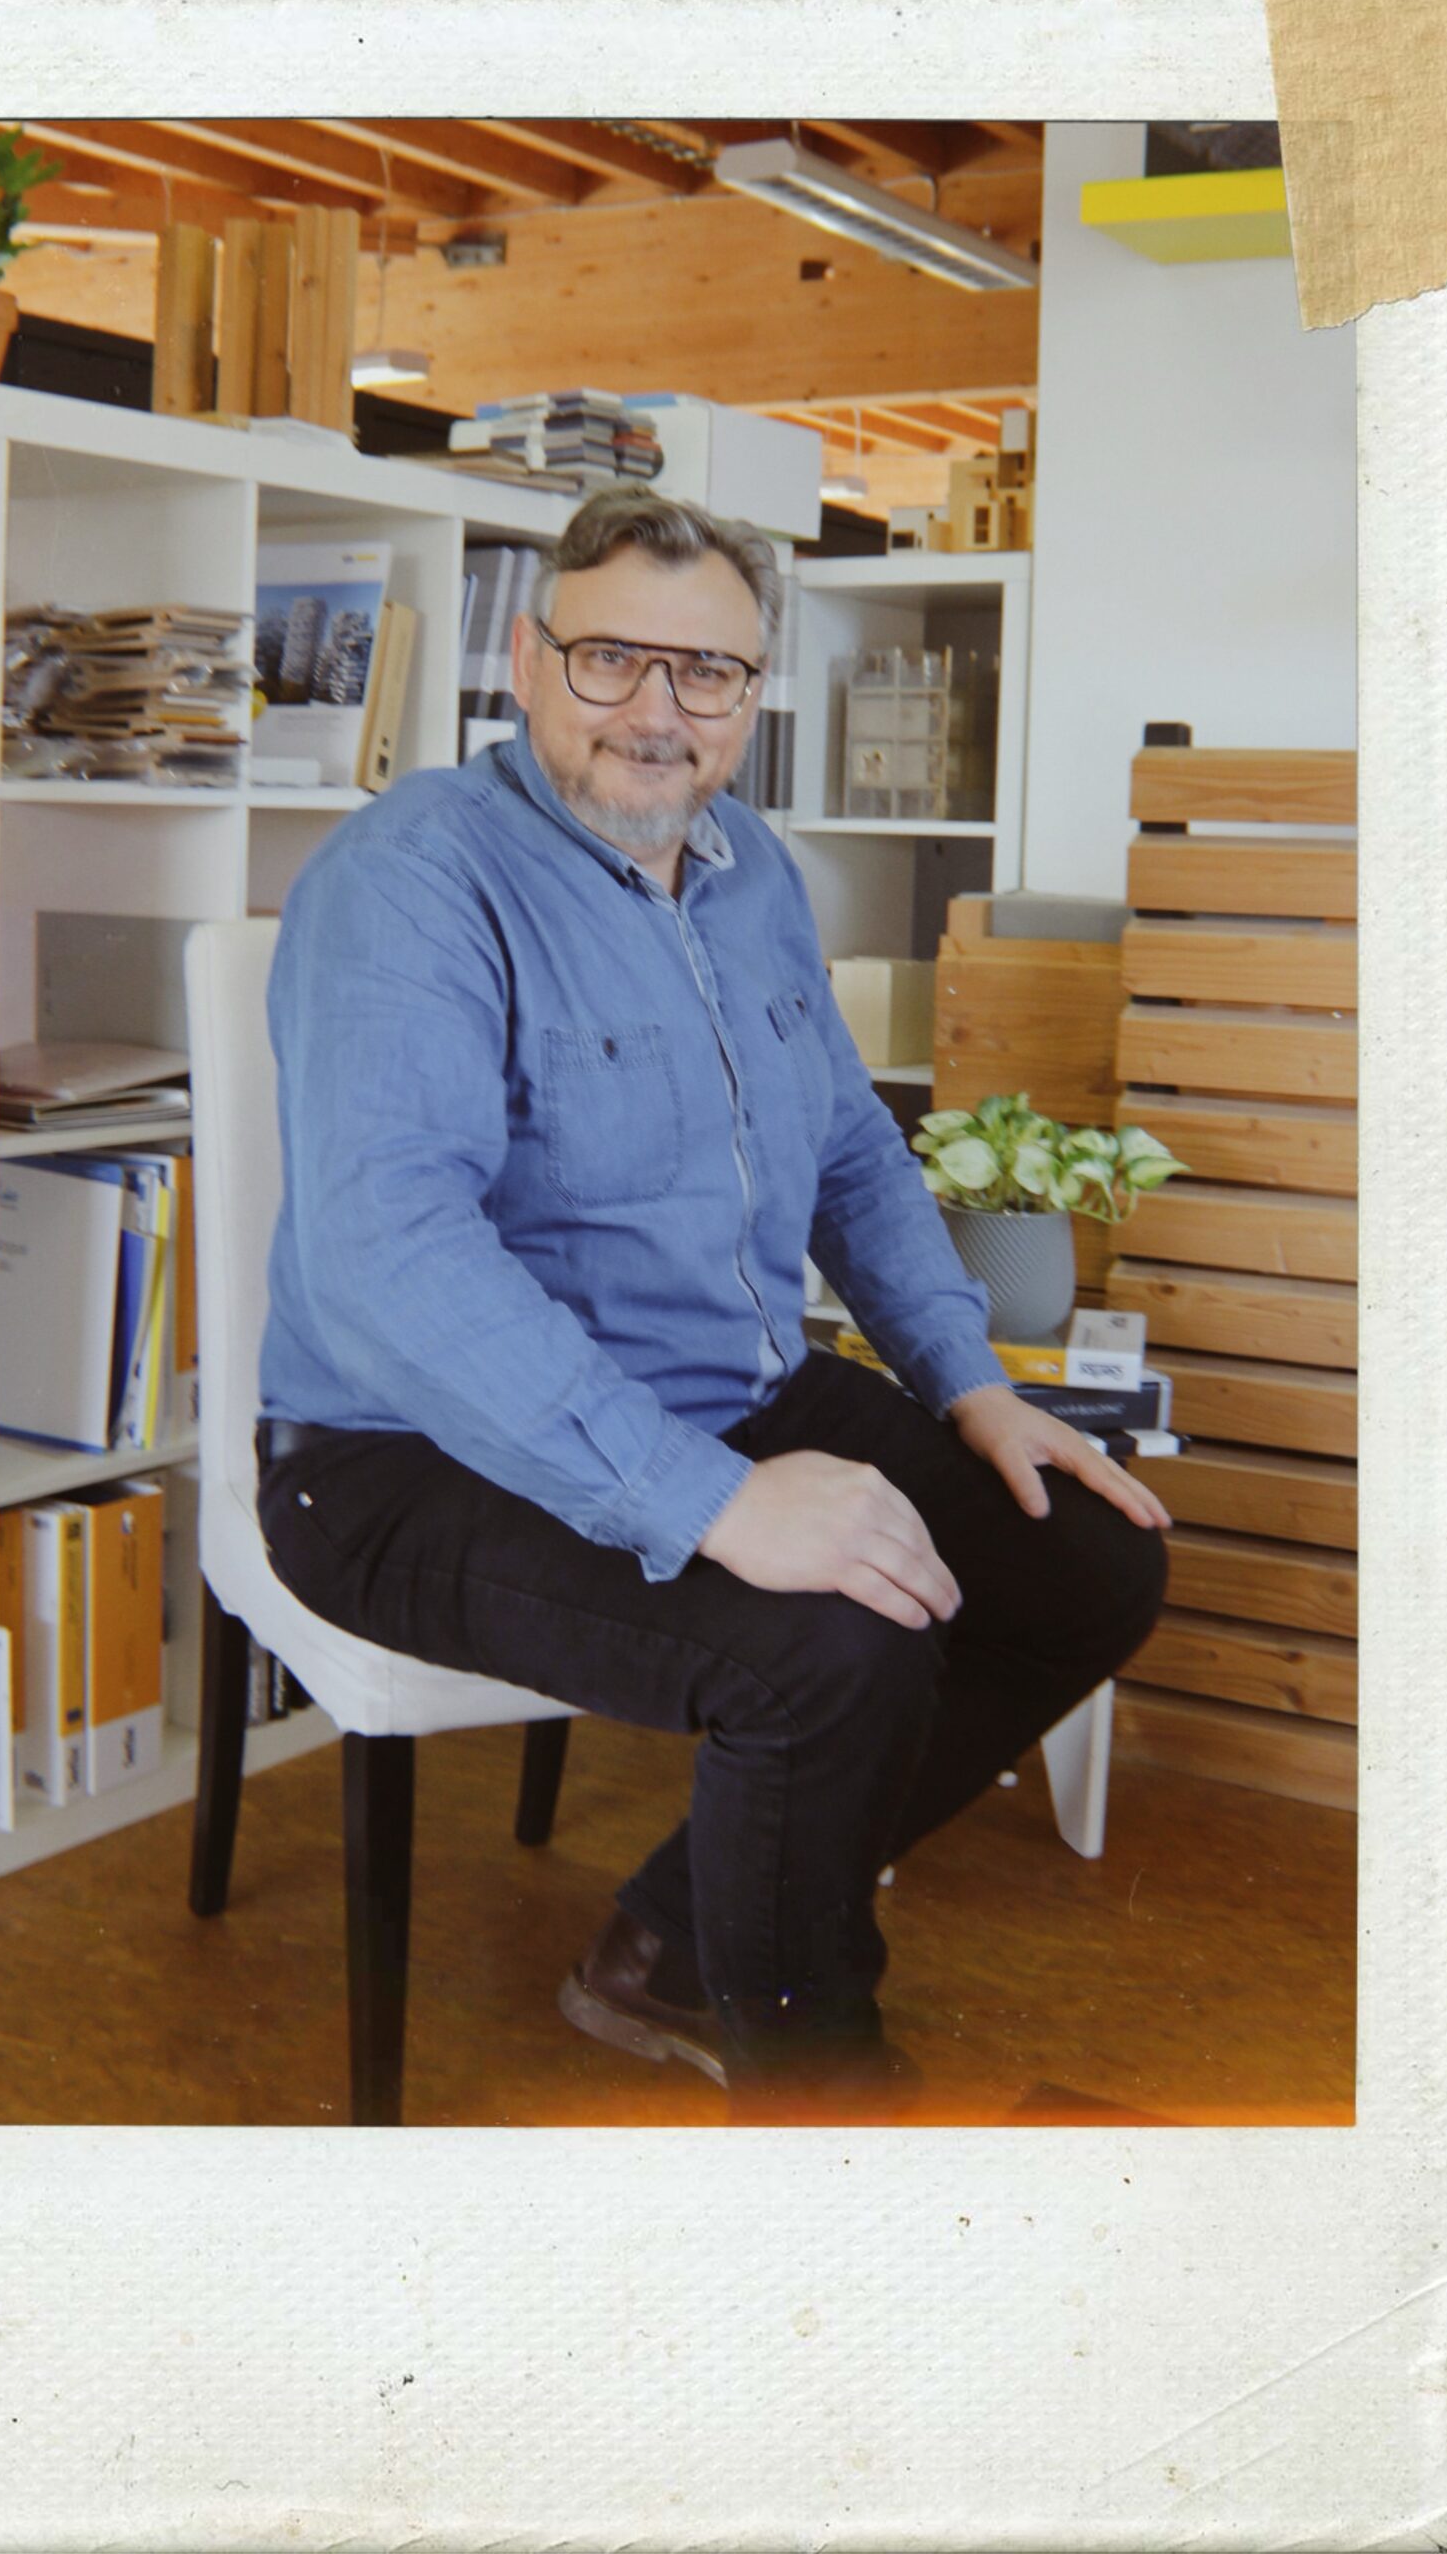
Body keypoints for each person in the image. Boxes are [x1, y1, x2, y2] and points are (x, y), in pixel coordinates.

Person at [256, 485, 1170, 2123]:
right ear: (528, 662)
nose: (658, 713)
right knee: (833, 1649)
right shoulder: (409, 879)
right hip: (403, 1457)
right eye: (612, 658)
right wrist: (719, 1501)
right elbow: (392, 1260)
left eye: (710, 674)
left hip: (723, 1389)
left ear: (755, 697)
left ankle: (678, 1944)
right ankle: (820, 2102)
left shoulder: (755, 877)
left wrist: (969, 1384)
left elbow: (850, 1150)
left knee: (1084, 1555)